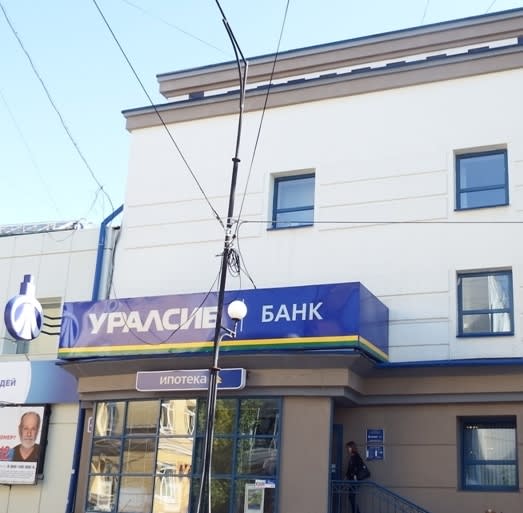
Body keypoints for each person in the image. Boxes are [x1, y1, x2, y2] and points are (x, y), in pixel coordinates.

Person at [345, 441, 363, 513]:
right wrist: (346, 477)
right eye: (347, 448)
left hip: (355, 481)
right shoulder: (352, 457)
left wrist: (355, 476)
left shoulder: (356, 457)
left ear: (352, 447)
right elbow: (349, 470)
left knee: (352, 497)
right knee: (351, 498)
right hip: (352, 481)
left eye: (348, 447)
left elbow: (357, 468)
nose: (347, 449)